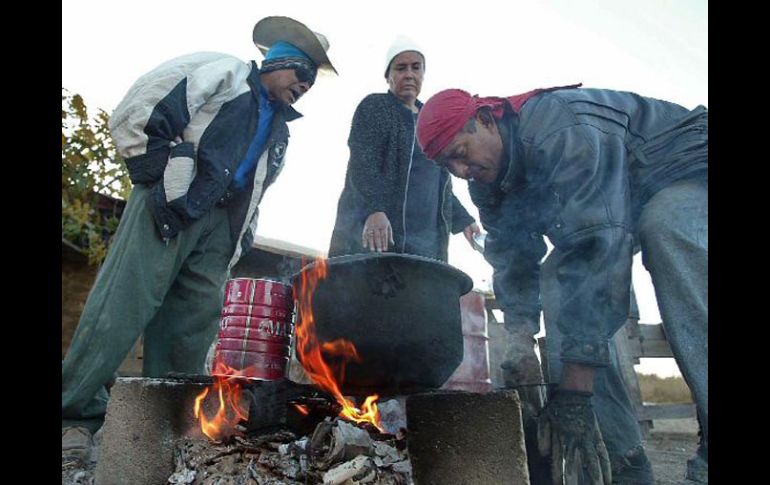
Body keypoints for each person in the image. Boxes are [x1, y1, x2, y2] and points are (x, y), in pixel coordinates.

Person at [62, 16, 337, 442]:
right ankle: (75, 415)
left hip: (219, 229)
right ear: (280, 62)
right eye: (302, 74)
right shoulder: (224, 72)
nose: (305, 87)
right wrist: (163, 176)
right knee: (122, 304)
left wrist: (238, 239)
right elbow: (144, 106)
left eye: (311, 84)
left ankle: (163, 422)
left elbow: (258, 189)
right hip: (171, 200)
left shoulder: (280, 132)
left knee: (191, 326)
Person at [416, 86, 707, 484]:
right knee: (558, 276)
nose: (461, 170)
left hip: (692, 164)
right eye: (449, 165)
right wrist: (519, 339)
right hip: (626, 202)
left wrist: (574, 392)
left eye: (461, 153)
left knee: (666, 224)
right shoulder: (486, 182)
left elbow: (596, 245)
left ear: (484, 120)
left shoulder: (557, 129)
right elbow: (514, 258)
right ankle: (621, 462)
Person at [328, 36, 479, 261]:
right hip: (377, 240)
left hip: (426, 250)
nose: (409, 74)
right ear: (388, 76)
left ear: (423, 74)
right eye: (401, 68)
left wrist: (464, 220)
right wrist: (374, 209)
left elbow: (438, 184)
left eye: (416, 68)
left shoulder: (433, 122)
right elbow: (363, 162)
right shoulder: (375, 106)